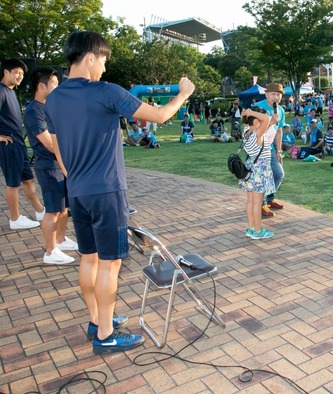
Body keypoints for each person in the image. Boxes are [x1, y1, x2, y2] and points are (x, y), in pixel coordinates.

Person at [45, 31, 195, 354]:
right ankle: (105, 334)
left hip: (78, 191)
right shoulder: (105, 92)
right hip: (107, 190)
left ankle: (97, 319)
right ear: (89, 57)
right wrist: (183, 94)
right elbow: (159, 116)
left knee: (89, 257)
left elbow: (59, 151)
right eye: (102, 60)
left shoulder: (54, 99)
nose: (103, 68)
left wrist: (77, 177)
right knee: (110, 264)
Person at [23, 67, 76, 264]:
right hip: (49, 166)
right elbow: (49, 143)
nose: (57, 86)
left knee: (63, 209)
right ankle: (50, 251)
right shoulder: (33, 111)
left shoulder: (51, 107)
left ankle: (61, 241)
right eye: (54, 83)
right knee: (53, 210)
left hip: (60, 164)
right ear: (41, 85)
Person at [0, 58, 46, 230]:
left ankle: (40, 211)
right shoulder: (1, 91)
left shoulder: (11, 92)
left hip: (19, 144)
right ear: (6, 72)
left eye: (22, 73)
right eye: (16, 72)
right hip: (9, 145)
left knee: (28, 180)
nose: (20, 76)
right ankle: (15, 219)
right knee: (13, 183)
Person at [238, 107, 276, 239]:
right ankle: (258, 231)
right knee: (257, 203)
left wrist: (251, 115)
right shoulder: (257, 135)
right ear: (256, 122)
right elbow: (266, 119)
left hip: (250, 169)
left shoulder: (247, 132)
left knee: (250, 202)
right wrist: (252, 112)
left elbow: (266, 121)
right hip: (259, 171)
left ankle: (251, 228)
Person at [254, 83, 286, 217]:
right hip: (257, 147)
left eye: (278, 94)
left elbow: (279, 131)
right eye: (273, 94)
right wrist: (270, 121)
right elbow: (253, 130)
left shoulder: (280, 110)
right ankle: (261, 205)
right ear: (266, 94)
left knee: (278, 174)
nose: (275, 97)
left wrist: (278, 151)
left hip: (270, 147)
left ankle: (270, 198)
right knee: (261, 177)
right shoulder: (258, 108)